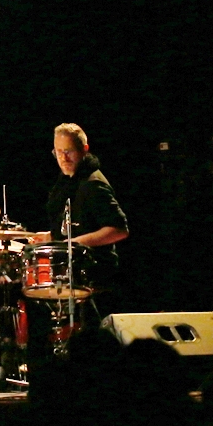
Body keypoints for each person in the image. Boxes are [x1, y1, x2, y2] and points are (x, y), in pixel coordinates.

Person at [24, 124, 128, 363]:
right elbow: (72, 227)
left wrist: (75, 243)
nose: (63, 158)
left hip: (94, 270)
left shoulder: (93, 184)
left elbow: (119, 229)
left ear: (84, 150)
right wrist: (49, 237)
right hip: (73, 268)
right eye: (58, 152)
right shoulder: (68, 181)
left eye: (69, 151)